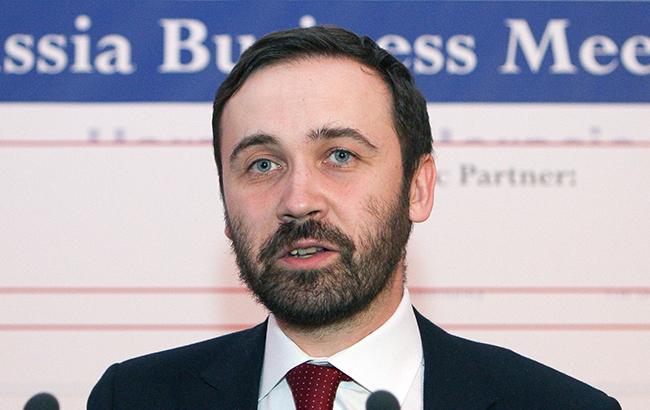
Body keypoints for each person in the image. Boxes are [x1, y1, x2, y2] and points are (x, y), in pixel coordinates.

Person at [88, 26, 620, 410]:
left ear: (418, 187)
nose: (298, 200)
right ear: (225, 203)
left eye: (340, 155)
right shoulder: (132, 398)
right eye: (263, 164)